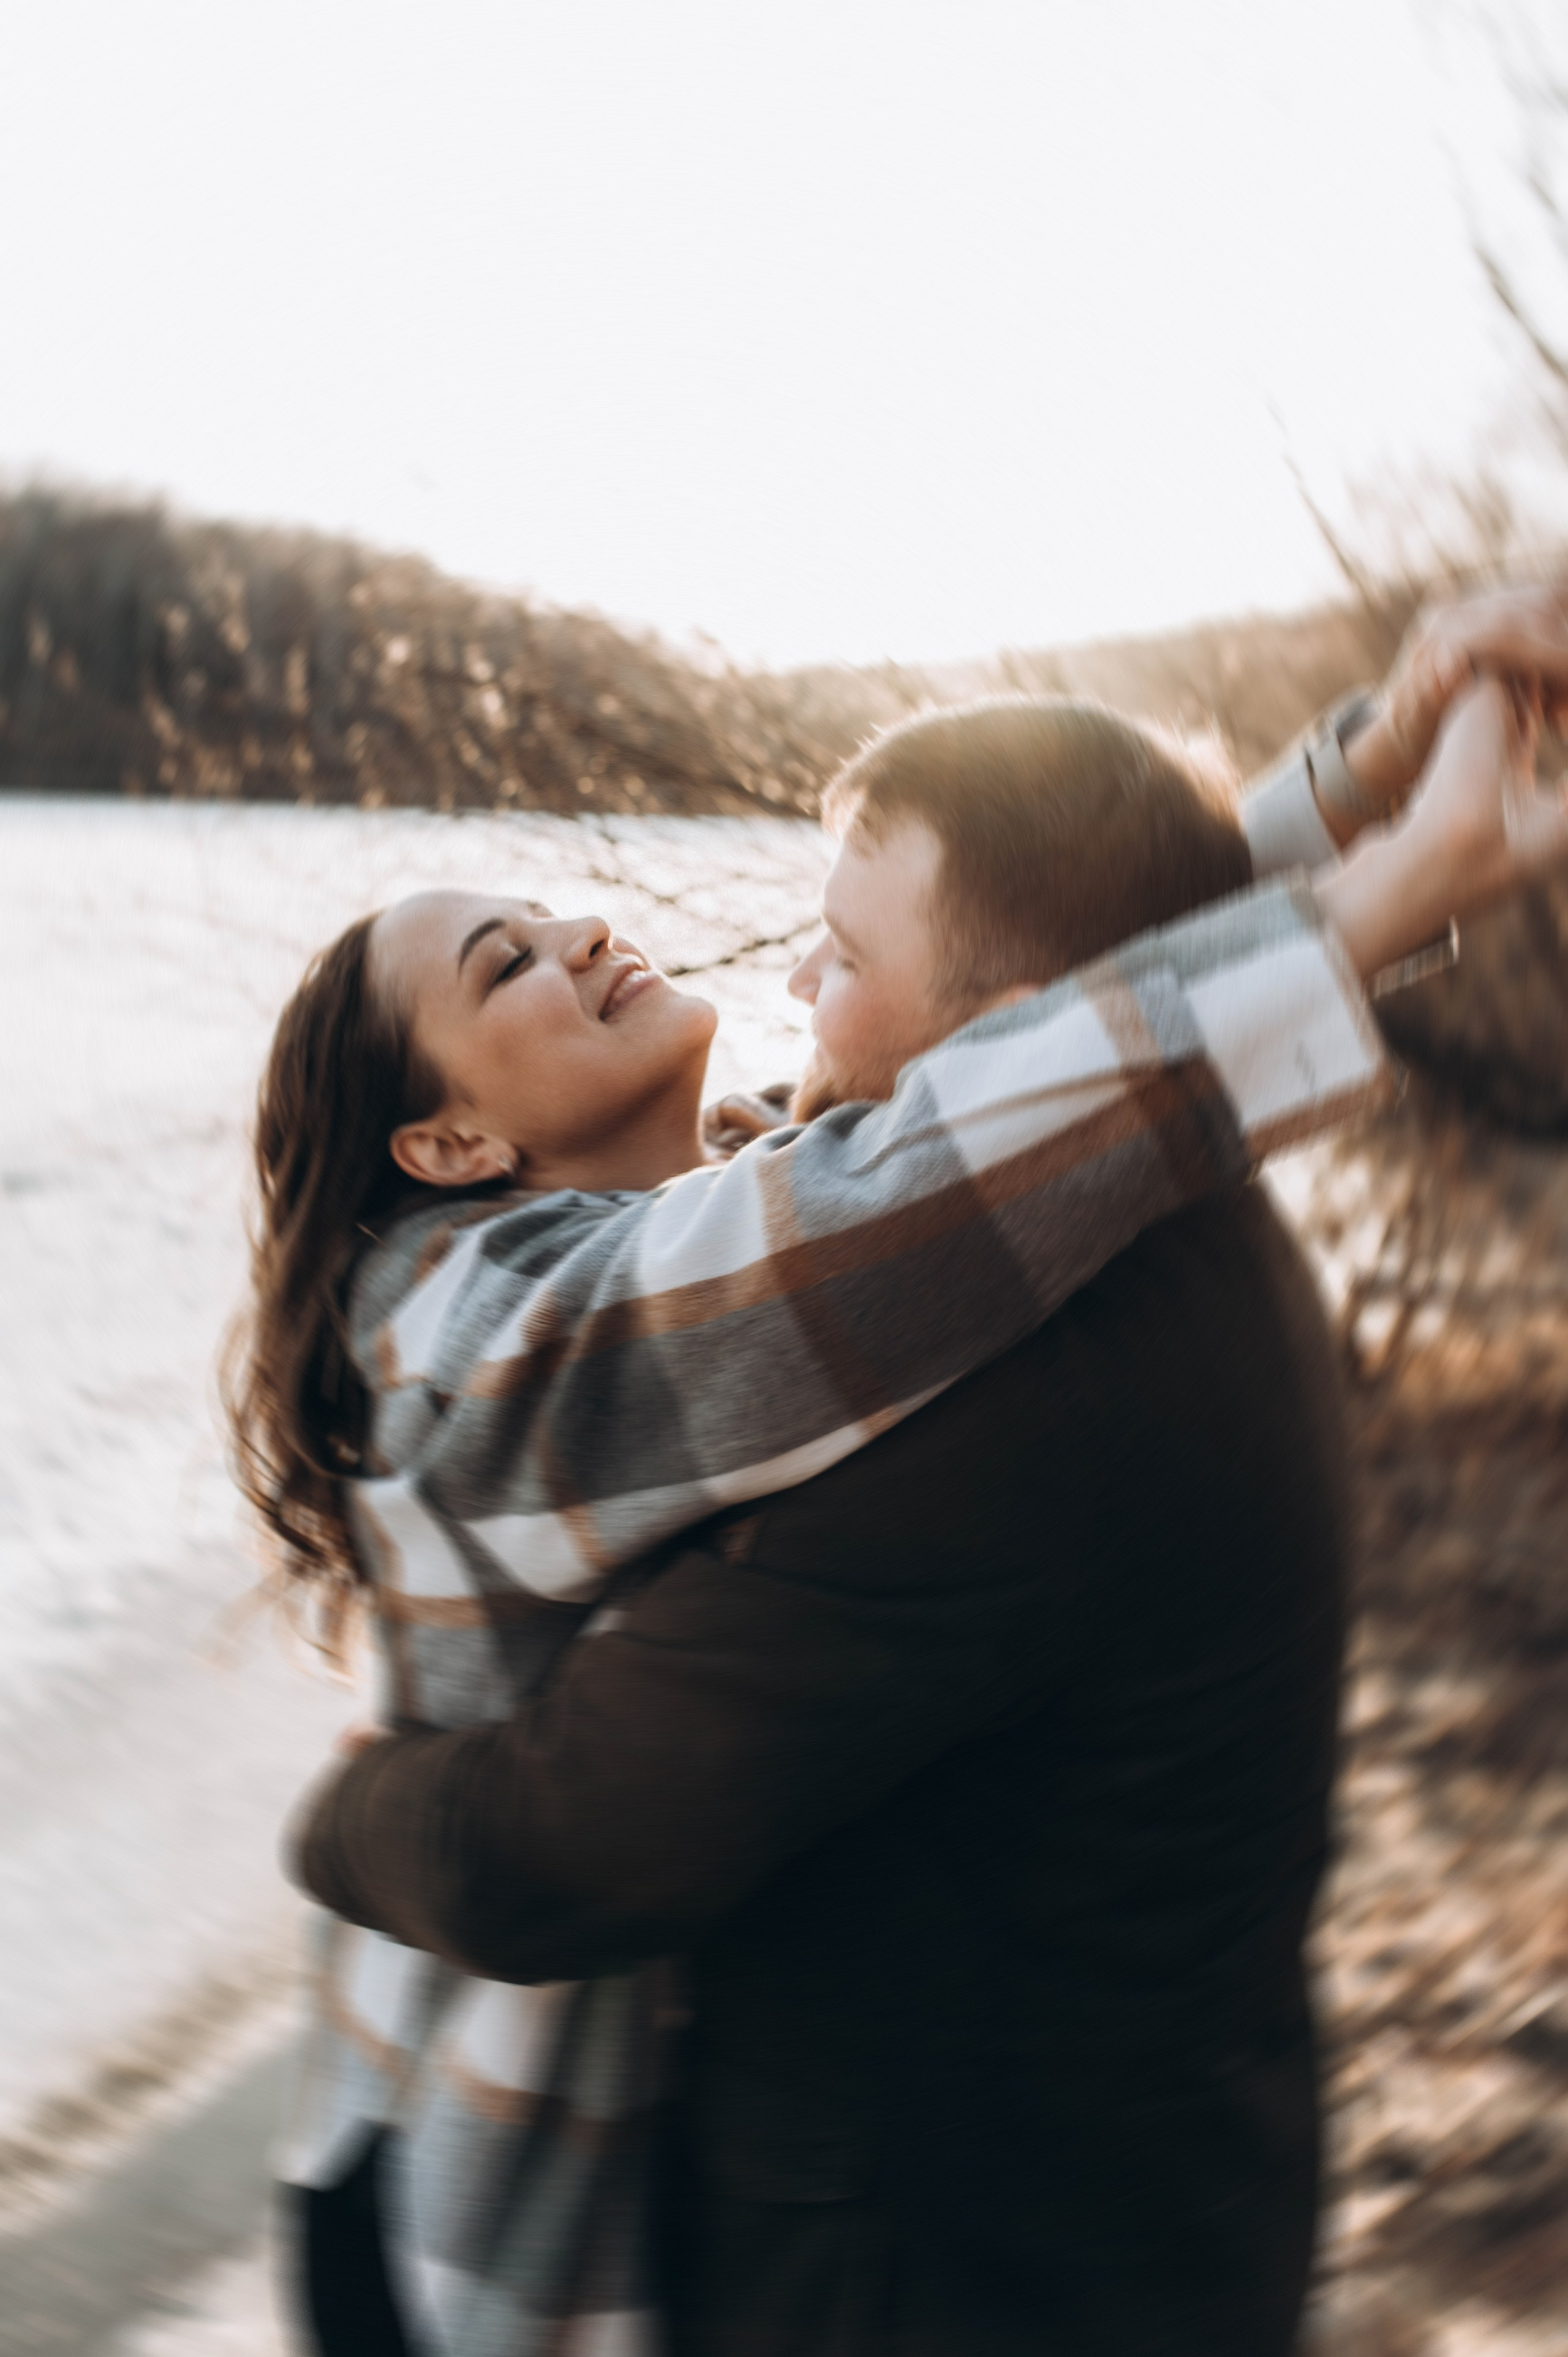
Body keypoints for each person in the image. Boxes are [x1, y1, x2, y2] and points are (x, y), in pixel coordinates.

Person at [266, 597, 1568, 2355]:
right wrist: (1383, 863)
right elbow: (982, 1100)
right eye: (506, 965)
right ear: (447, 1141)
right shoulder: (492, 1344)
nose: (581, 931)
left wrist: (1366, 798)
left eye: (838, 950)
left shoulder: (851, 1248)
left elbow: (1019, 1050)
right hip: (451, 2204)